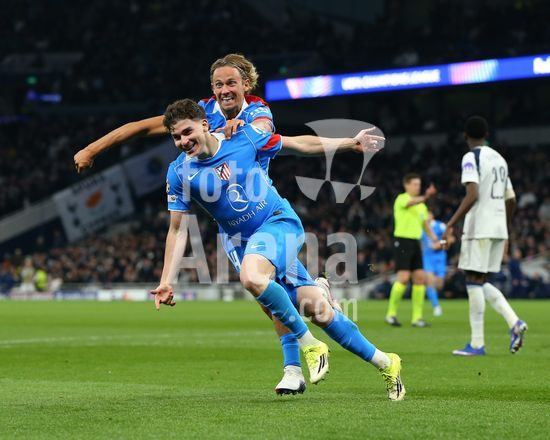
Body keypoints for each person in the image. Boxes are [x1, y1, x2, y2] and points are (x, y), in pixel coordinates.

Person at [74, 54, 348, 395]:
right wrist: (92, 149)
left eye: (231, 82)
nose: (224, 90)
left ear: (246, 84)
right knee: (270, 300)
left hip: (260, 212)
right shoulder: (200, 113)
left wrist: (239, 129)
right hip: (231, 225)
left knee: (272, 292)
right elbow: (140, 128)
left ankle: (295, 366)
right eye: (218, 84)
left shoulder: (258, 111)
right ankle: (301, 354)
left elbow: (266, 132)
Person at [153, 98, 405, 400]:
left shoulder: (245, 138)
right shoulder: (179, 173)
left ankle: (309, 345)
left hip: (276, 222)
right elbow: (178, 228)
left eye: (187, 132)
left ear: (204, 124)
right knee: (318, 310)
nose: (183, 141)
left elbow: (298, 144)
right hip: (242, 243)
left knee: (252, 278)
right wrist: (166, 280)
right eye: (176, 137)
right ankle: (386, 362)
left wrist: (350, 143)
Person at [443, 116, 528, 356]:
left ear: (465, 135)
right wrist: (505, 228)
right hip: (498, 226)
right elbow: (512, 200)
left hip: (479, 226)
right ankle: (514, 323)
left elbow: (472, 194)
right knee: (480, 280)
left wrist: (450, 223)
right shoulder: (500, 159)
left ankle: (477, 344)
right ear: (487, 134)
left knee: (472, 280)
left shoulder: (471, 157)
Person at [385, 174, 438, 327]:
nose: (417, 187)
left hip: (416, 242)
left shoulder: (422, 206)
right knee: (403, 278)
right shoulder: (402, 199)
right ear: (406, 185)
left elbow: (425, 225)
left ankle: (417, 318)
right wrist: (426, 196)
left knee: (420, 278)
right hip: (403, 241)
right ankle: (391, 314)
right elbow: (410, 202)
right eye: (414, 184)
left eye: (419, 184)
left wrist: (436, 239)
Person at [421, 211, 453, 317]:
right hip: (427, 257)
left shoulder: (440, 226)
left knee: (439, 284)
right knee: (429, 281)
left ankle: (431, 291)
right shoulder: (422, 227)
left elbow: (451, 239)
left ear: (432, 215)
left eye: (427, 214)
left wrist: (439, 244)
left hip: (440, 258)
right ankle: (436, 306)